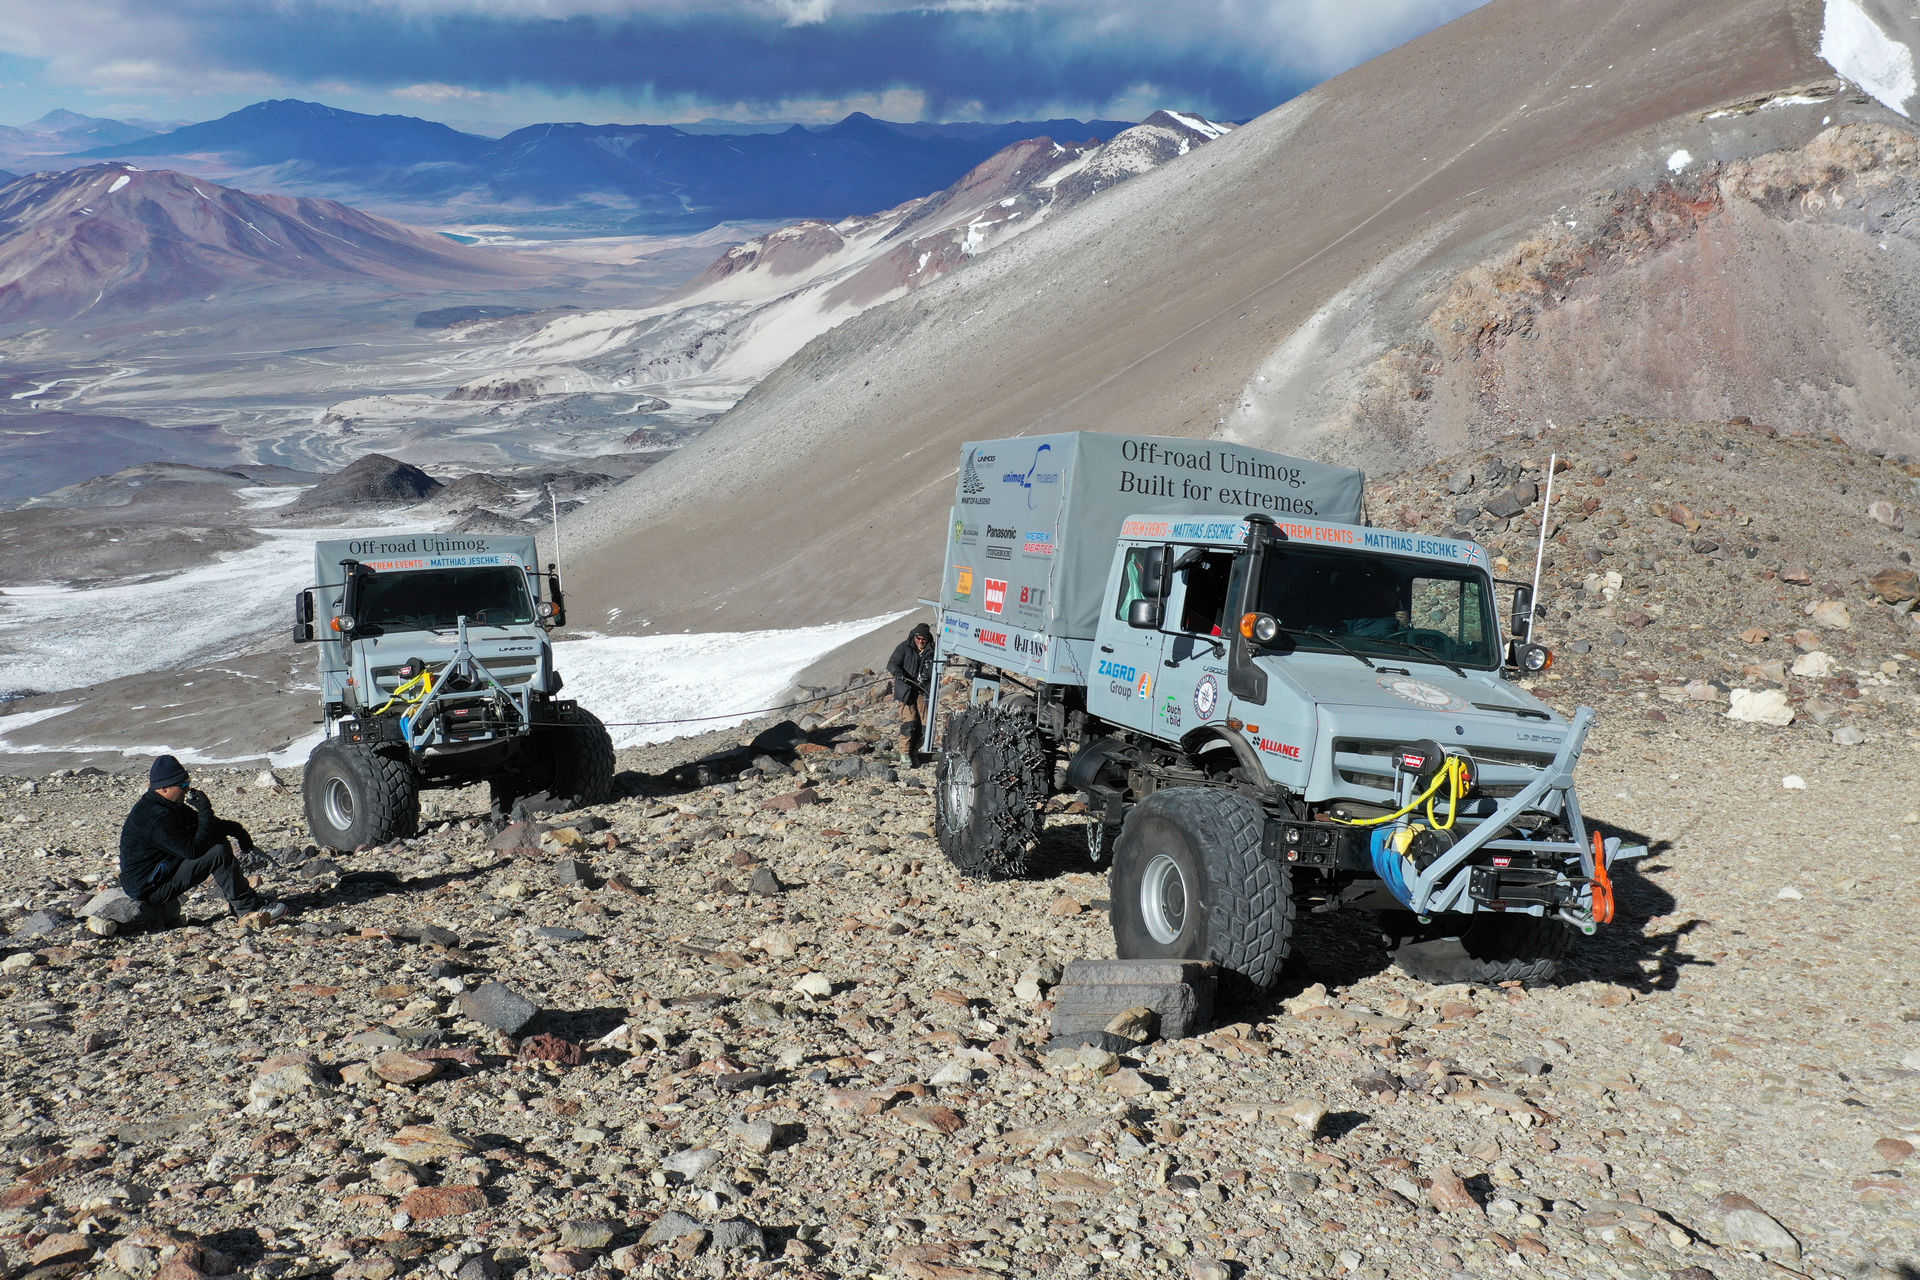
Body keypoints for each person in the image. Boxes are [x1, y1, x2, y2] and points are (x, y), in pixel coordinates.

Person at [119, 755, 286, 924]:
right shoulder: (156, 819)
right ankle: (248, 909)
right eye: (183, 785)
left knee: (216, 839)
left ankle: (244, 900)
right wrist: (205, 811)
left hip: (160, 872)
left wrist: (237, 830)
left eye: (187, 784)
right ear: (164, 789)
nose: (187, 790)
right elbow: (192, 850)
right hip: (151, 888)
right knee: (218, 852)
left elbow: (204, 825)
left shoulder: (167, 805)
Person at [886, 622, 935, 766]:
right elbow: (892, 663)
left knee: (926, 726)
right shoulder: (904, 647)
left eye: (923, 639)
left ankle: (914, 751)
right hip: (906, 690)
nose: (921, 641)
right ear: (914, 636)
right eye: (918, 638)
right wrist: (898, 673)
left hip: (923, 690)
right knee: (910, 722)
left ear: (927, 639)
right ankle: (904, 753)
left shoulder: (933, 650)